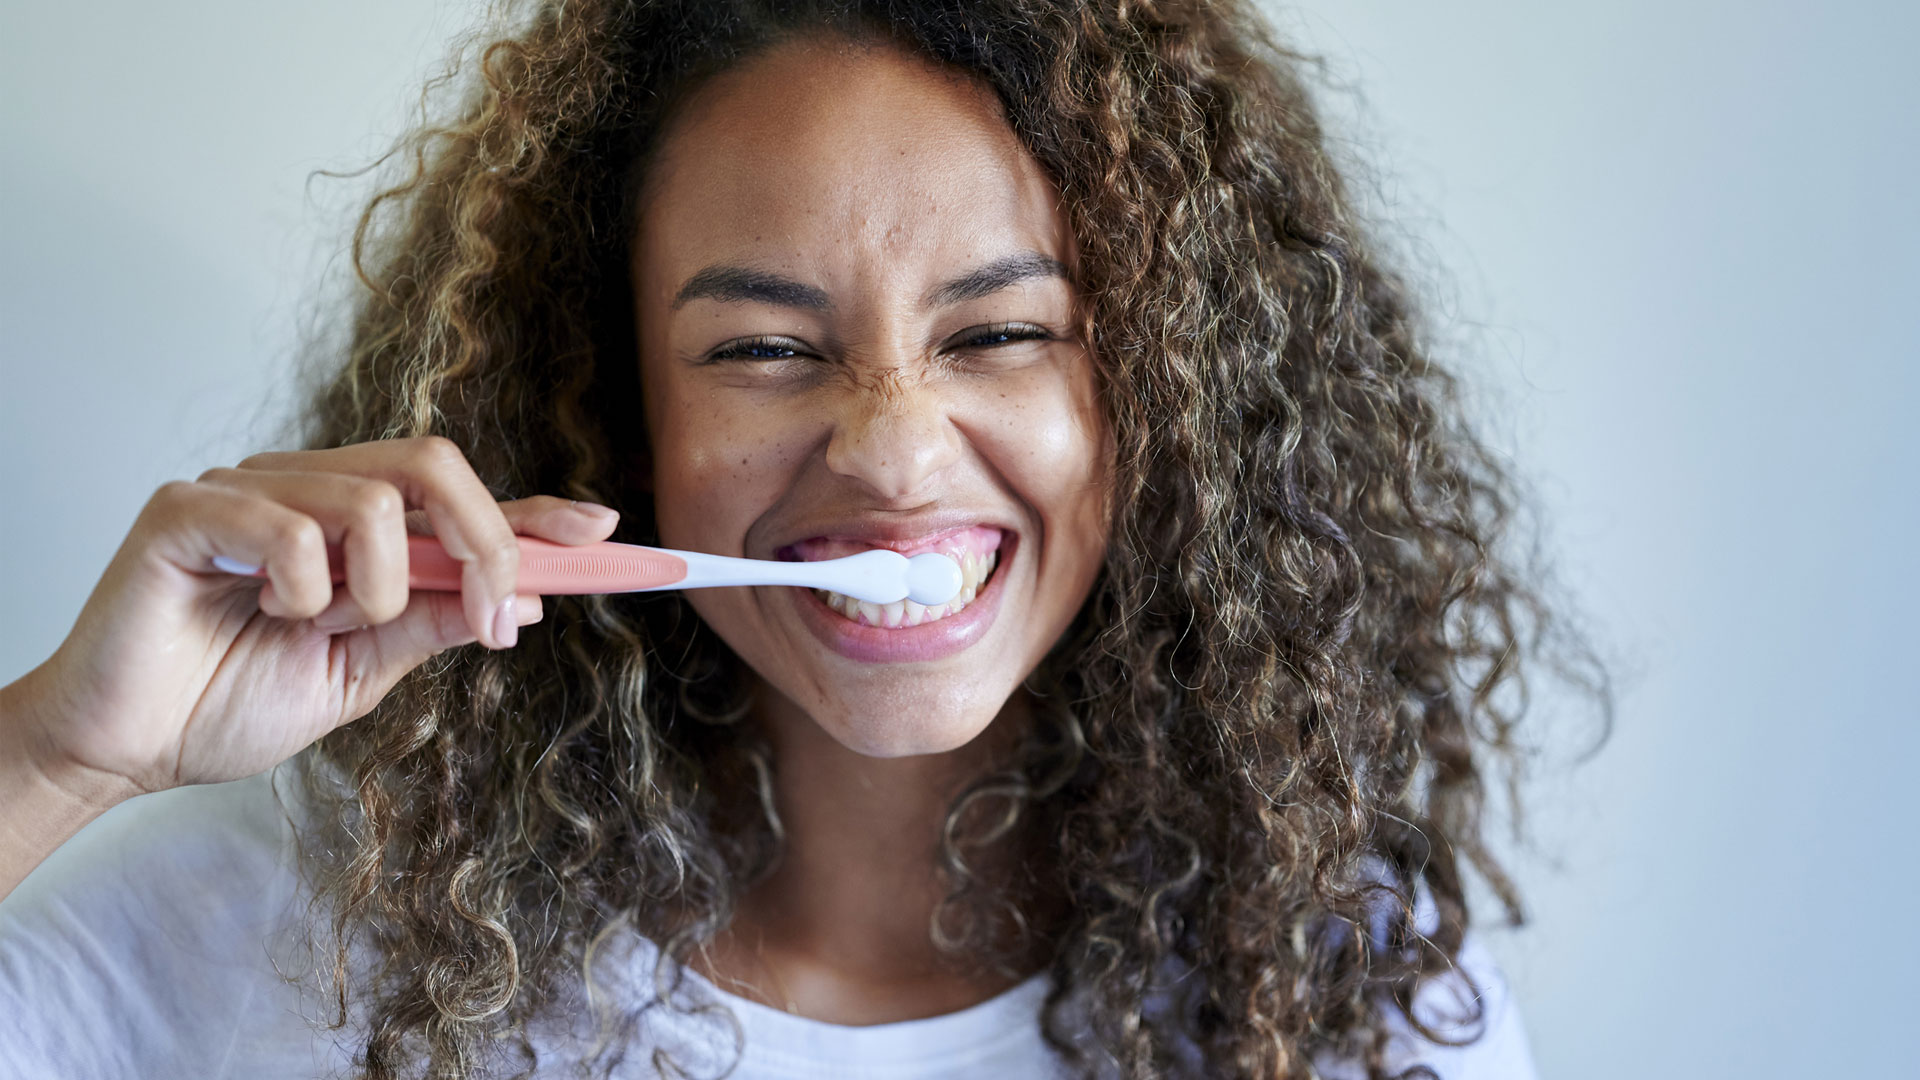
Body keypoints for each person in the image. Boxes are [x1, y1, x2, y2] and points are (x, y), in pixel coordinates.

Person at [0, 1, 1603, 1077]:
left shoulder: (1347, 1013)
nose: (895, 450)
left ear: (1168, 397)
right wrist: (64, 760)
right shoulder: (300, 929)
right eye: (764, 351)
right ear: (615, 411)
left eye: (1000, 336)